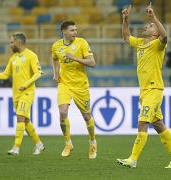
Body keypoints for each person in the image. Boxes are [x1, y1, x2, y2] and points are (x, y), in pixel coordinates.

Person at [117, 3, 171, 168]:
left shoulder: (158, 45)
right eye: (148, 24)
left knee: (142, 123)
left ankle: (133, 159)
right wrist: (125, 19)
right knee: (158, 124)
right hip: (144, 91)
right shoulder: (140, 43)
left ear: (155, 33)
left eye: (150, 26)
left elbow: (165, 36)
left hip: (154, 89)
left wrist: (154, 17)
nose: (146, 26)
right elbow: (126, 37)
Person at [0, 32, 45, 156]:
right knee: (25, 121)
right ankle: (39, 144)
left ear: (18, 42)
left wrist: (26, 84)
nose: (10, 45)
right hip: (16, 94)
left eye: (12, 42)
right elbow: (5, 74)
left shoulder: (31, 55)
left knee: (20, 117)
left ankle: (16, 148)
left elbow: (38, 73)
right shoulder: (13, 58)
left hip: (27, 92)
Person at [51, 20, 97, 159]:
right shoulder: (56, 46)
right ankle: (68, 143)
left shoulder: (82, 43)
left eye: (76, 30)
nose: (75, 33)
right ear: (64, 32)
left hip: (80, 85)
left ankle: (92, 141)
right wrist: (56, 73)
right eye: (72, 30)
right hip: (64, 84)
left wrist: (75, 58)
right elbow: (54, 59)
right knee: (63, 112)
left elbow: (92, 63)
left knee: (86, 116)